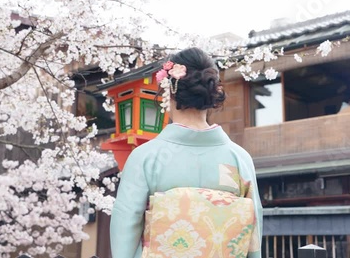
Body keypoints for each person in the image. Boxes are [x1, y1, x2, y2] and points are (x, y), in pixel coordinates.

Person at [110, 47, 263, 258]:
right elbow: (252, 234)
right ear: (211, 93)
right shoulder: (239, 159)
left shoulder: (146, 158)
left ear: (169, 91)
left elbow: (125, 226)